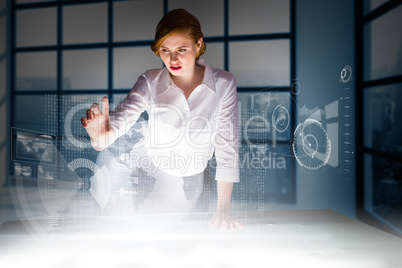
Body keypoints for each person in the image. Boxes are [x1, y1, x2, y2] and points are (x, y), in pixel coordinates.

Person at [81, 9, 241, 230]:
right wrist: (98, 137)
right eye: (165, 50)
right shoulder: (150, 81)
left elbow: (227, 148)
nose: (172, 59)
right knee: (142, 235)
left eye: (181, 50)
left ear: (198, 44)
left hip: (194, 181)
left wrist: (223, 210)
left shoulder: (224, 83)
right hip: (149, 175)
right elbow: (112, 133)